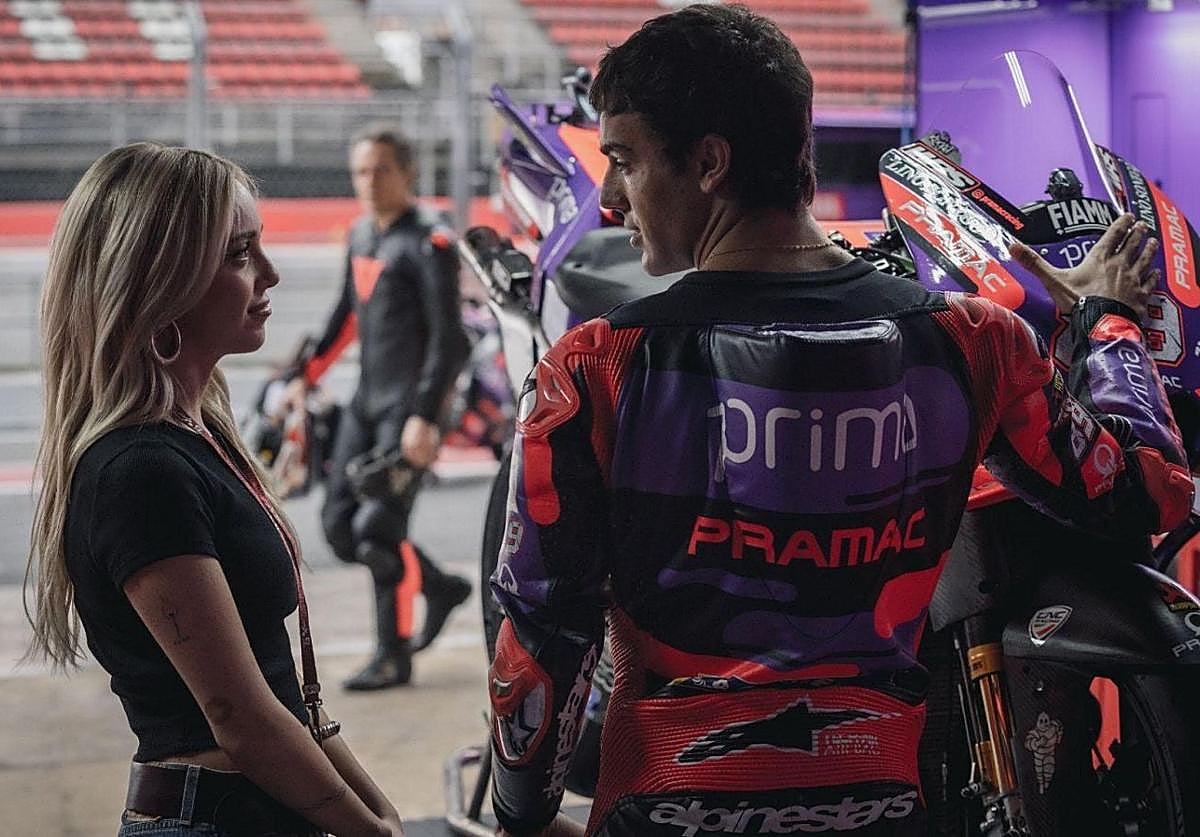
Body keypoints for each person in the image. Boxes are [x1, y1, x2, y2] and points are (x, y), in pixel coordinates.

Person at [485, 5, 1193, 836]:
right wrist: (1110, 325)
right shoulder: (976, 341)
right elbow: (1148, 495)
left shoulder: (590, 367)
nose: (611, 198)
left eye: (624, 160)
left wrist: (521, 814)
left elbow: (541, 637)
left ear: (709, 162)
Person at [24, 143, 405, 836]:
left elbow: (281, 691)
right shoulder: (140, 472)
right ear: (158, 283)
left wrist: (378, 812)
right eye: (238, 254)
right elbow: (240, 718)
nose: (270, 273)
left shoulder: (198, 438)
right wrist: (366, 827)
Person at [287, 126, 472, 691]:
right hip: (365, 403)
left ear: (408, 173)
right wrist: (302, 377)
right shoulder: (362, 234)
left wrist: (425, 416)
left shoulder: (429, 242)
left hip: (410, 411)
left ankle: (393, 655)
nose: (369, 182)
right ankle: (439, 586)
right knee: (338, 528)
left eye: (382, 170)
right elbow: (346, 314)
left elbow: (451, 340)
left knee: (377, 529)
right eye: (361, 172)